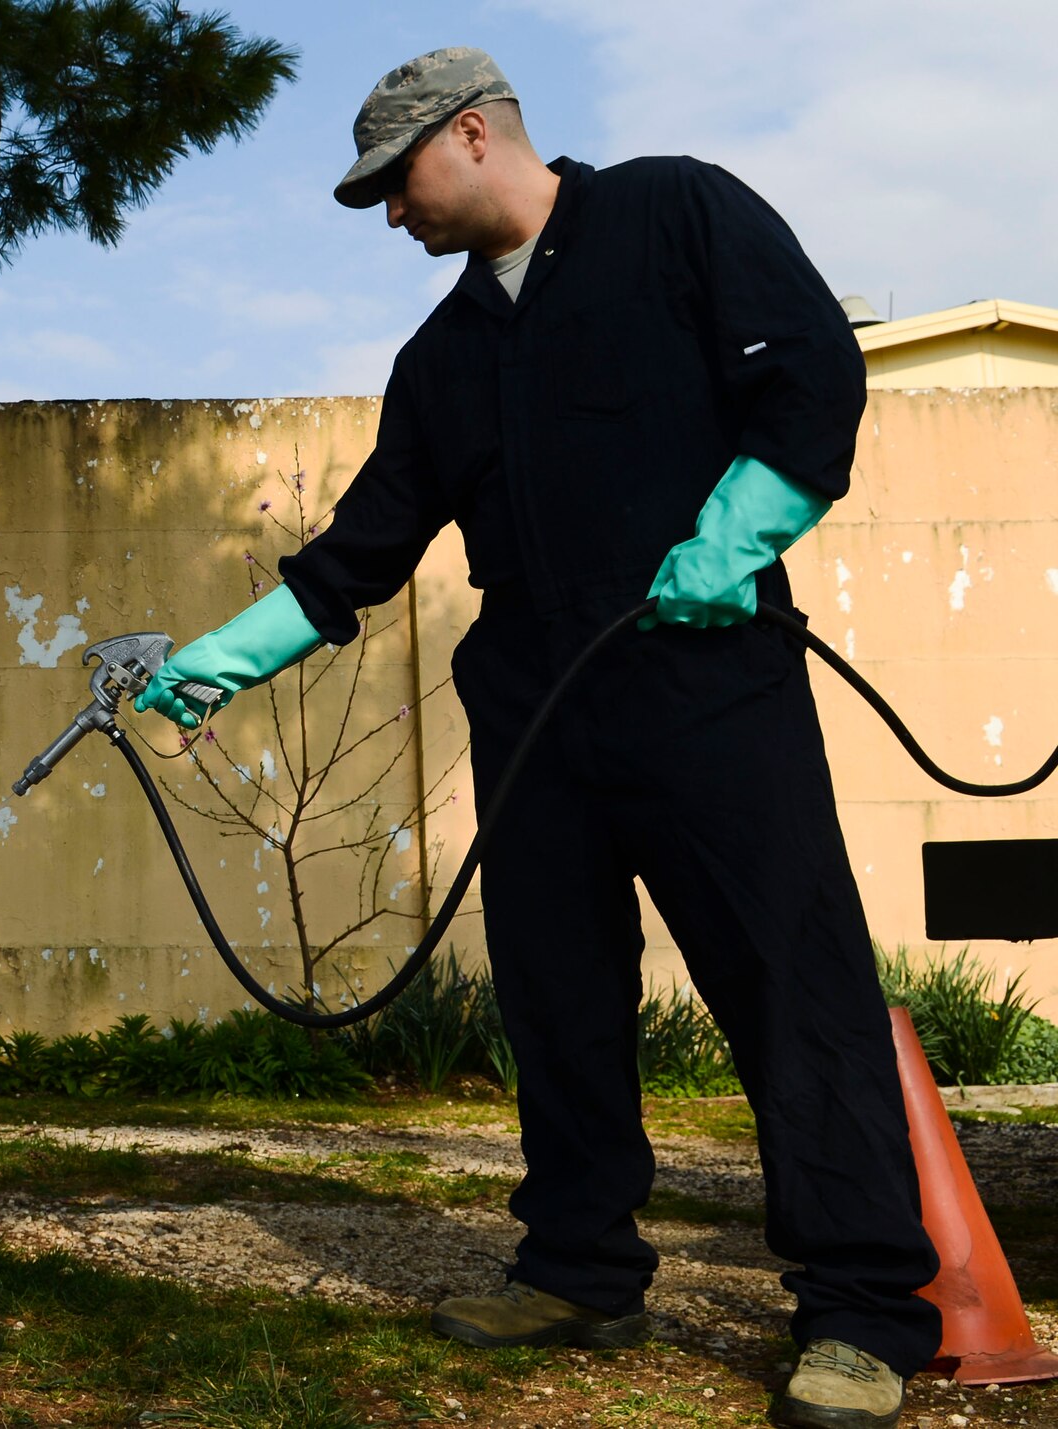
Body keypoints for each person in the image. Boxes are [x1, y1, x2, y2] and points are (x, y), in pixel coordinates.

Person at [136, 46, 939, 1429]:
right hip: (534, 709)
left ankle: (865, 1312)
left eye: (395, 186)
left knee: (789, 988)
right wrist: (221, 660)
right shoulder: (441, 355)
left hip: (709, 684)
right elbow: (360, 555)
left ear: (469, 136)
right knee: (557, 1000)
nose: (392, 217)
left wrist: (732, 537)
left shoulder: (677, 214)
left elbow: (810, 378)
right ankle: (582, 1269)